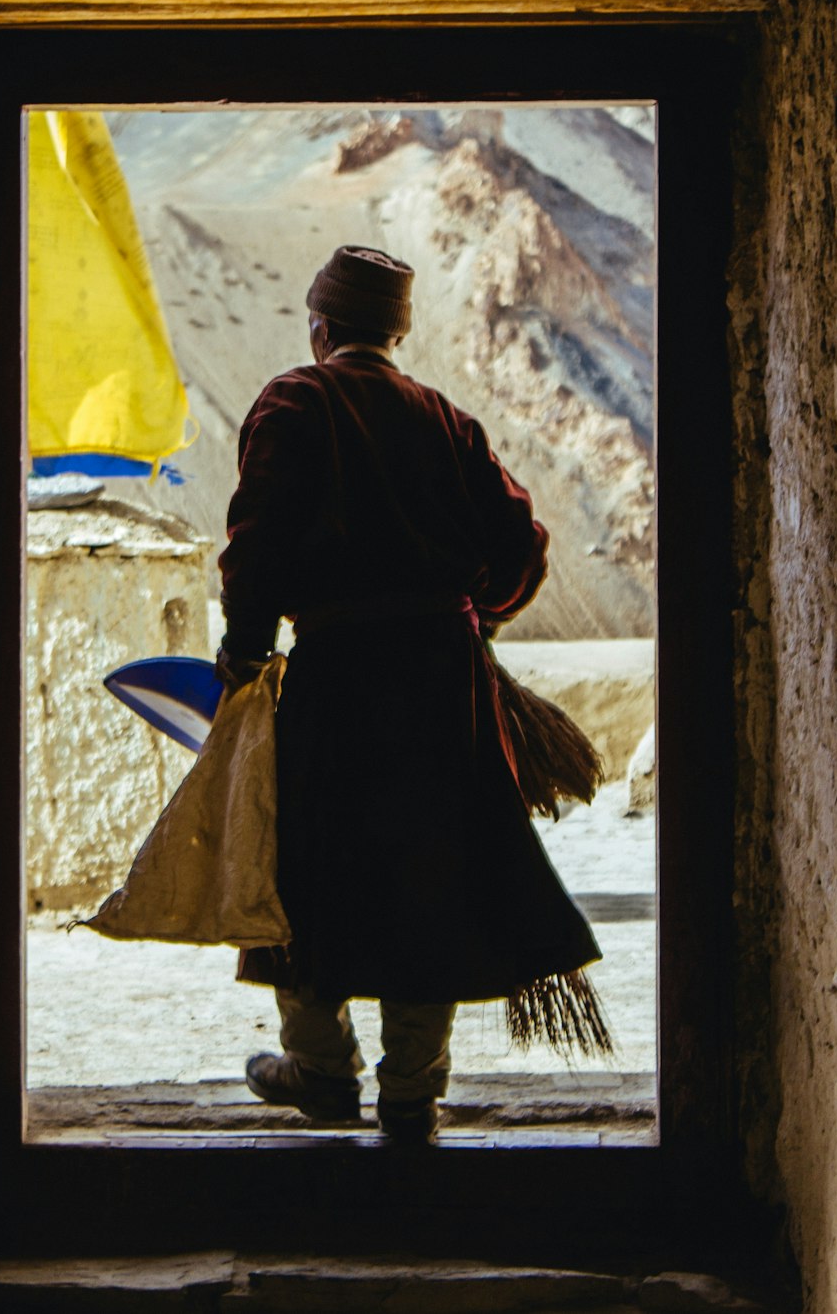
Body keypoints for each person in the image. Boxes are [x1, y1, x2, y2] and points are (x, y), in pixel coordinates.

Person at [216, 245, 602, 1145]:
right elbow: (522, 545)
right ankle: (412, 1093)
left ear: (321, 325)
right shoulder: (445, 418)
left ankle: (318, 1066)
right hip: (442, 682)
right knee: (429, 873)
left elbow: (255, 548)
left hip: (335, 677)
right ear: (397, 330)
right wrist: (475, 619)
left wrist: (244, 656)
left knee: (304, 865)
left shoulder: (293, 402)